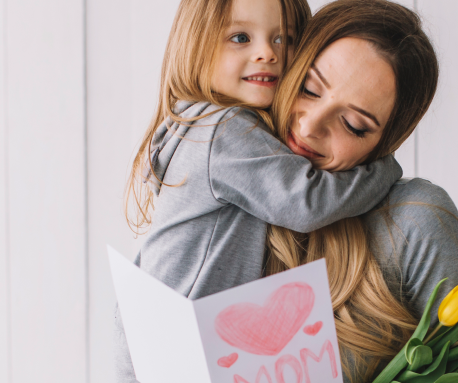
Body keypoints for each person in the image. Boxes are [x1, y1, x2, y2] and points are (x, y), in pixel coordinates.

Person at [115, 0, 408, 380]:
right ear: (196, 43)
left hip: (161, 340)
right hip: (183, 346)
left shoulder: (192, 124)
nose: (267, 53)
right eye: (240, 37)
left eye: (283, 39)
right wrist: (383, 169)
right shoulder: (224, 130)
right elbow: (307, 202)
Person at [262, 1, 458, 382]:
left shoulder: (414, 223)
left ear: (383, 145)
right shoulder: (210, 187)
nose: (308, 127)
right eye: (308, 88)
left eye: (353, 125)